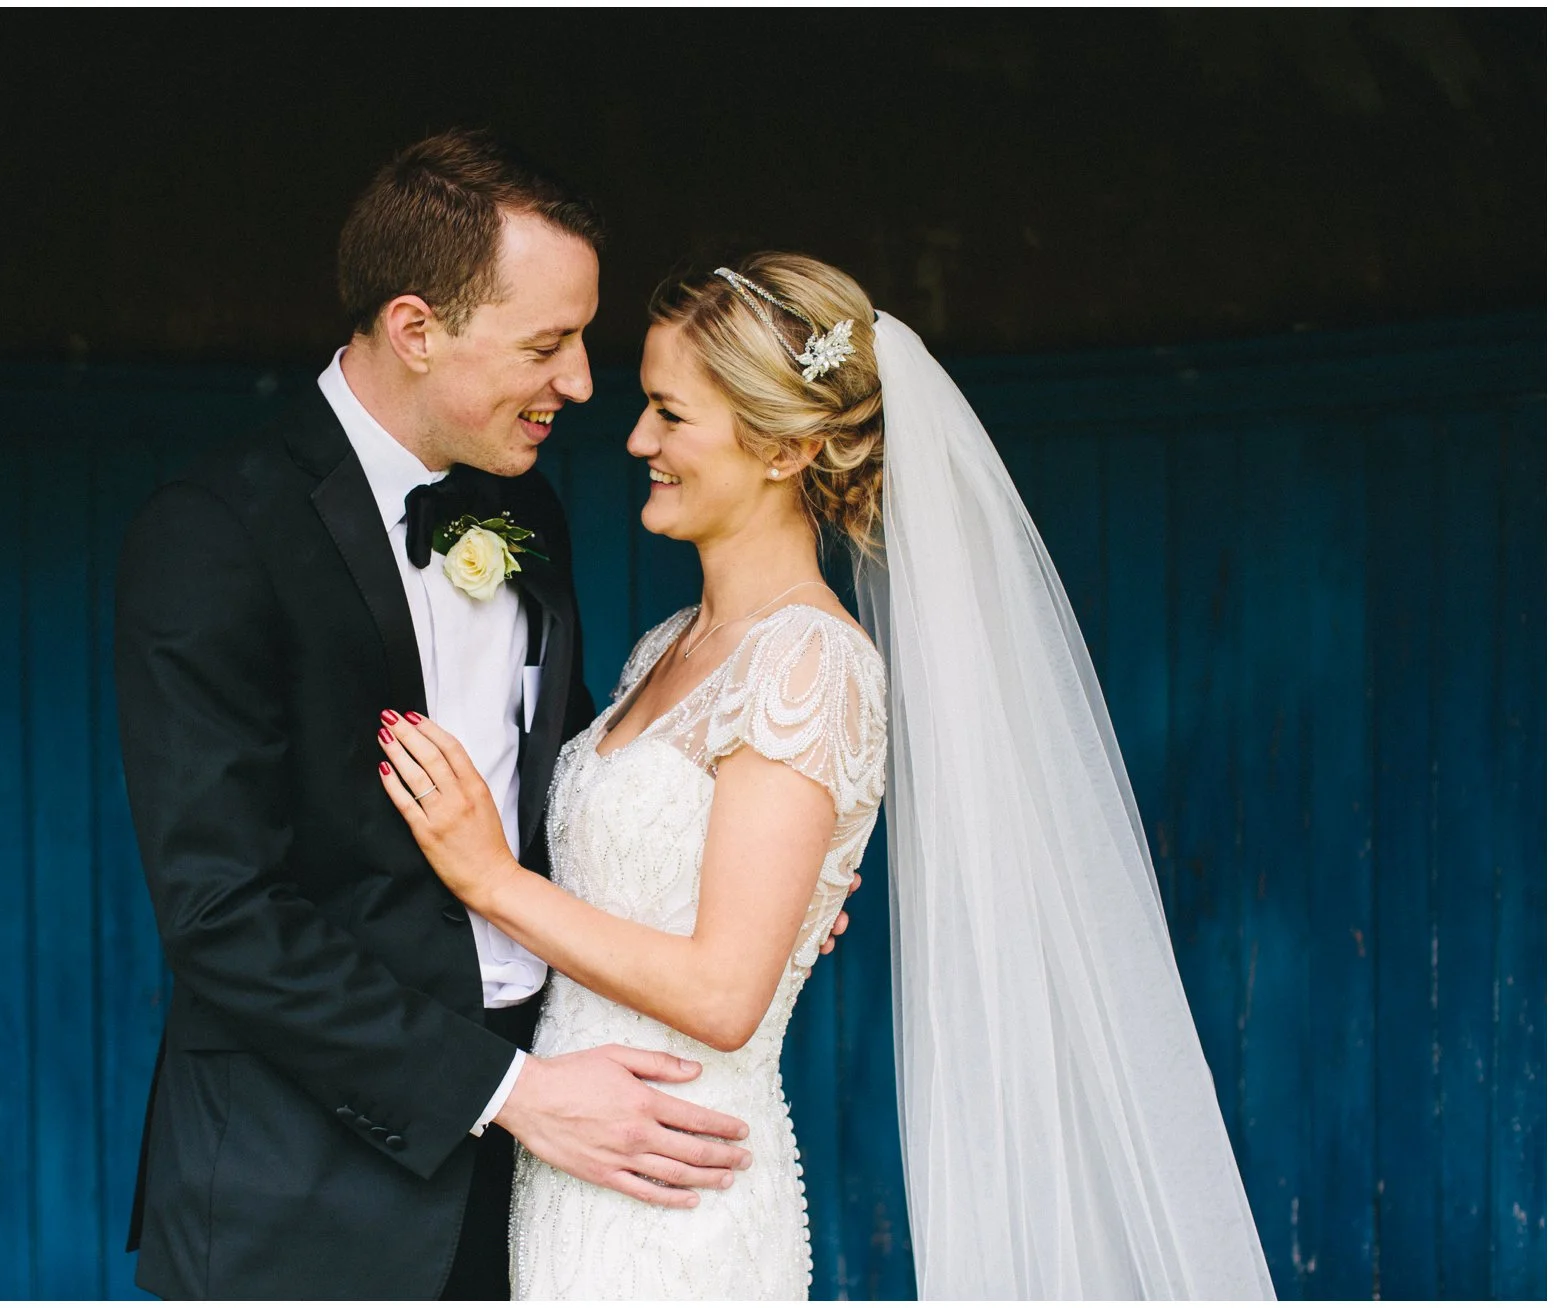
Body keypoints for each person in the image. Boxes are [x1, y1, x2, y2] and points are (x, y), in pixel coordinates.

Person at [379, 253, 1278, 1298]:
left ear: (788, 446)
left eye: (671, 415)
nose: (637, 442)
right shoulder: (664, 649)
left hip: (677, 1198)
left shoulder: (809, 662)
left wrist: (490, 878)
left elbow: (722, 995)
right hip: (580, 1175)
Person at [112, 134, 851, 1300]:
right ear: (416, 328)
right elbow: (222, 912)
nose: (581, 385)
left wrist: (760, 884)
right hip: (305, 1191)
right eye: (547, 345)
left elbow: (563, 788)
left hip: (564, 1174)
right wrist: (509, 1097)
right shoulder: (214, 535)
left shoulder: (526, 508)